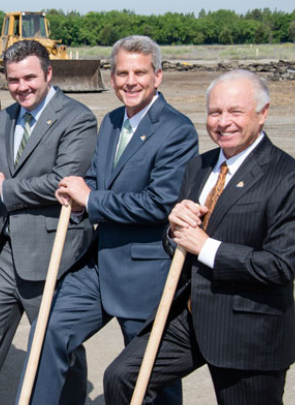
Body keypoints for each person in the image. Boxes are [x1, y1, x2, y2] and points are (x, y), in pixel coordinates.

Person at [103, 69, 295, 405]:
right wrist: (173, 229)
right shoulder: (199, 167)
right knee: (123, 378)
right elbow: (176, 242)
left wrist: (206, 247)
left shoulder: (291, 179)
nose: (223, 122)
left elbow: (278, 267)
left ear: (263, 114)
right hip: (190, 317)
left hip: (247, 328)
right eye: (215, 112)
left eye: (235, 111)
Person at [30, 35, 198, 404]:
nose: (130, 81)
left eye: (140, 72)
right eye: (122, 73)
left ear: (158, 76)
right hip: (98, 264)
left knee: (149, 378)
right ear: (112, 76)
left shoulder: (177, 130)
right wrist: (77, 197)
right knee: (49, 330)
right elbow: (96, 180)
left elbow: (159, 203)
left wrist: (92, 200)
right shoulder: (111, 121)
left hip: (146, 272)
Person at [0, 40, 98, 404]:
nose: (21, 87)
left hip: (52, 254)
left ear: (48, 73)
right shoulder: (5, 118)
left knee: (56, 350)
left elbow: (65, 182)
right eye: (13, 80)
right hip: (3, 252)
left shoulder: (77, 118)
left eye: (29, 77)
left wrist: (4, 189)